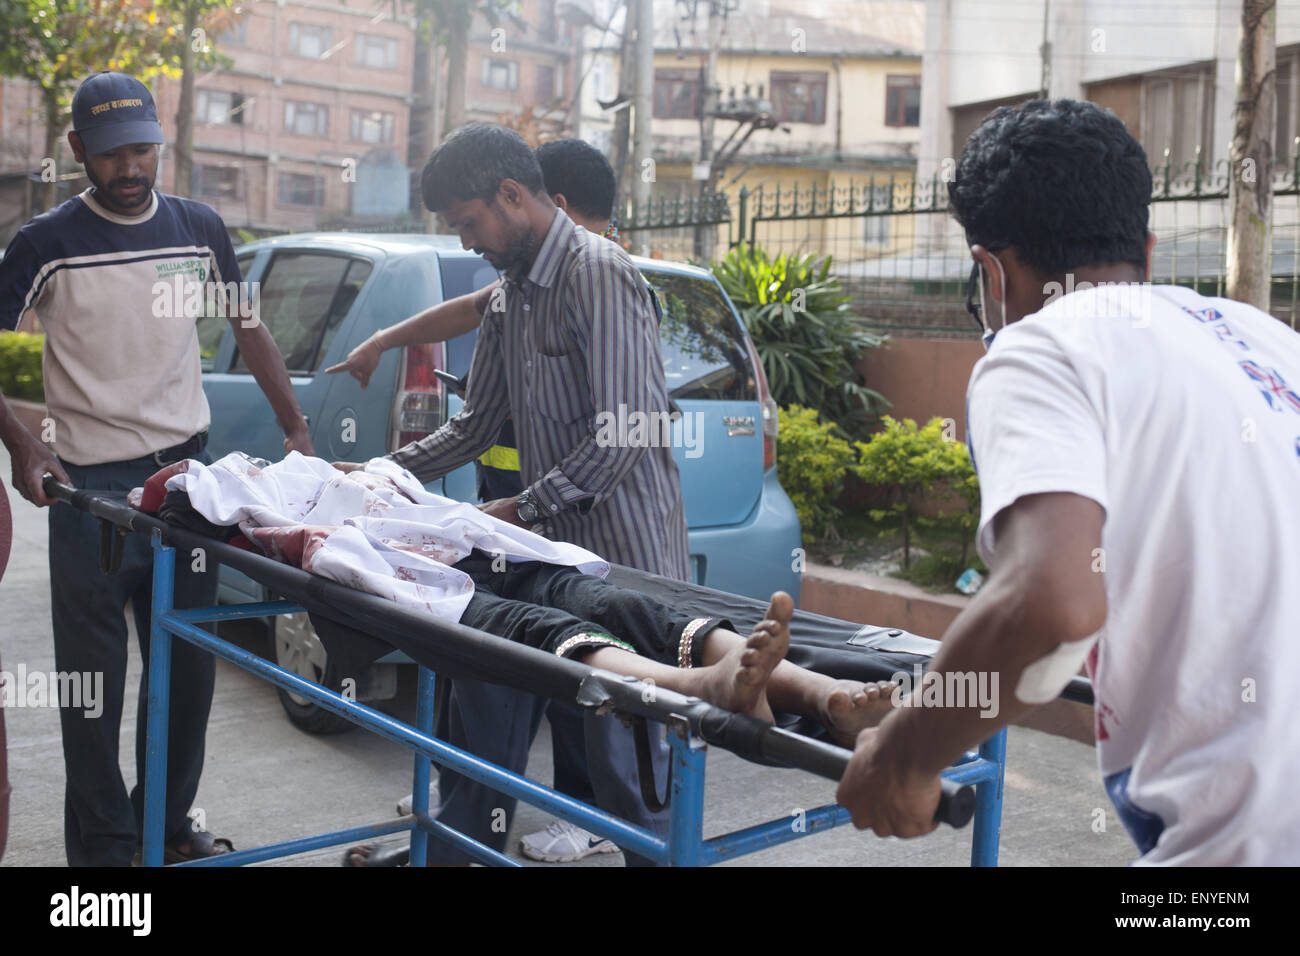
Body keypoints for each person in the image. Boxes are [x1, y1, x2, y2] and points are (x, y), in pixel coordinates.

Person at [835, 98, 1300, 865]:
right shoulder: (1269, 342)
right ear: (1145, 246)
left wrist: (906, 756)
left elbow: (1049, 604)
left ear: (988, 269)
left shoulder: (1039, 348)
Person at [335, 123, 687, 866]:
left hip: (627, 567)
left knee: (636, 784)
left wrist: (518, 509)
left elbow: (624, 434)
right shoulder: (508, 298)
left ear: (512, 194)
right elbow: (473, 428)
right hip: (557, 568)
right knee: (579, 739)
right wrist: (383, 476)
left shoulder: (600, 273)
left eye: (469, 223)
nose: (467, 243)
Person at [0, 71, 314, 865]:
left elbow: (249, 330)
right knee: (93, 689)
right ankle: (106, 857)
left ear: (160, 143)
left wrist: (297, 430)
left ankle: (167, 830)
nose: (130, 167)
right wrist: (21, 442)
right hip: (91, 497)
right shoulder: (44, 245)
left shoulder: (198, 227)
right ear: (78, 152)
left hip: (186, 487)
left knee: (187, 672)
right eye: (111, 155)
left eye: (142, 149)